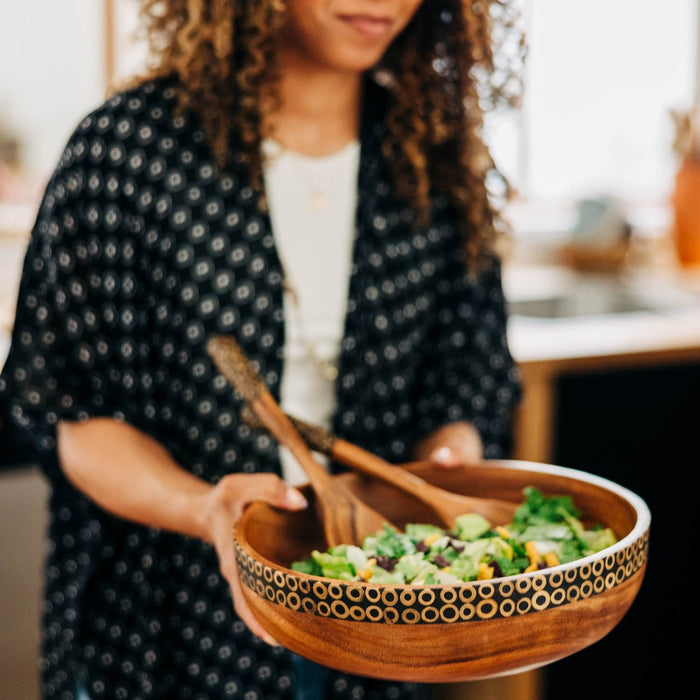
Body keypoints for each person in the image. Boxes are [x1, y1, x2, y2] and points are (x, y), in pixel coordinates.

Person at [0, 1, 524, 698]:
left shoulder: (431, 154)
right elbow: (72, 414)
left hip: (376, 621)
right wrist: (205, 508)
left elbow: (470, 369)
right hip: (164, 627)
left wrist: (448, 459)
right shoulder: (126, 152)